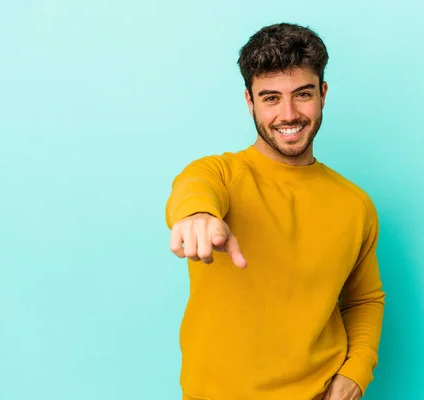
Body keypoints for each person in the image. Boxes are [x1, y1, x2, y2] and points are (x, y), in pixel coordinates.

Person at [165, 23, 385, 400]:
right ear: (250, 102)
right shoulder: (219, 174)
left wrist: (357, 371)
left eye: (302, 94)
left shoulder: (355, 203)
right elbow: (192, 190)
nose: (289, 114)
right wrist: (197, 216)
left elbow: (364, 299)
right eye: (270, 98)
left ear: (323, 94)